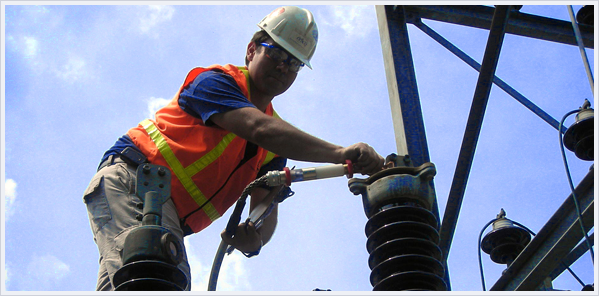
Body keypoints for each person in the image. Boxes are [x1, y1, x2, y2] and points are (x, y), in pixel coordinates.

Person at [83, 6, 385, 291]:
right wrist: (339, 153)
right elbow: (258, 129)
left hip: (162, 210)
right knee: (158, 275)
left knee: (135, 280)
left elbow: (265, 209)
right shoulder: (215, 83)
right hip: (136, 182)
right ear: (251, 50)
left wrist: (254, 239)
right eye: (277, 52)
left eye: (293, 62)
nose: (283, 66)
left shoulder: (273, 148)